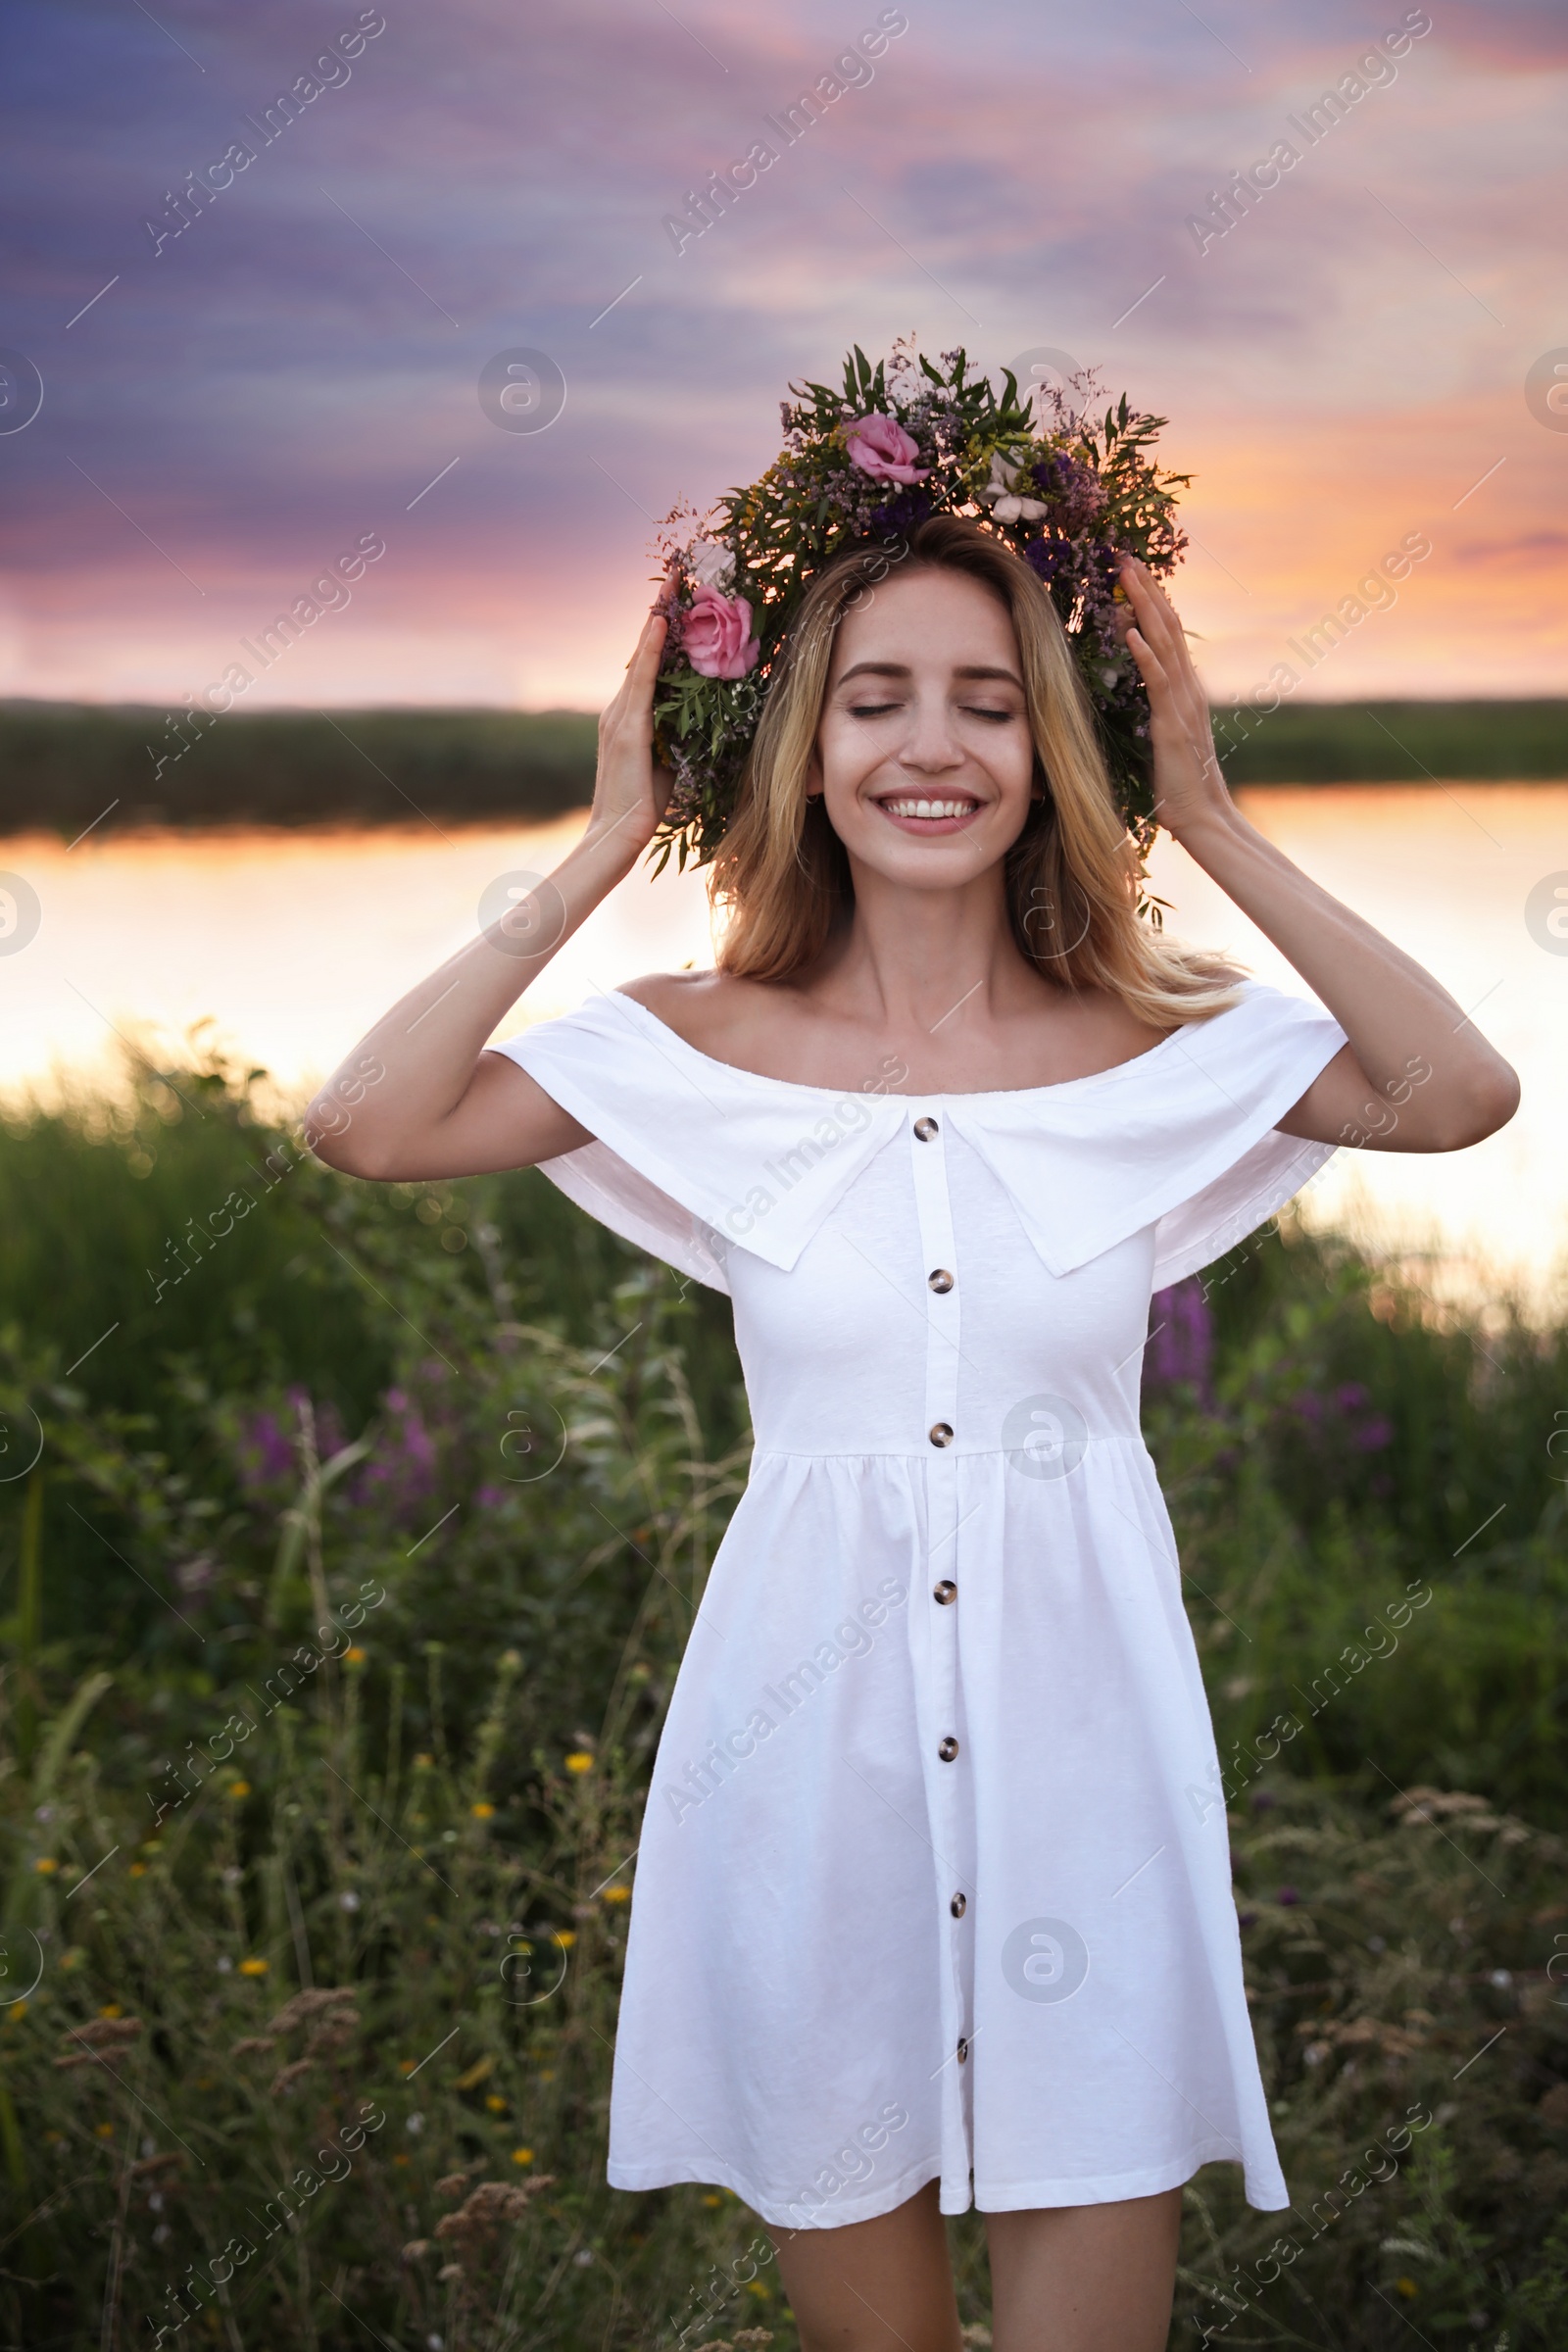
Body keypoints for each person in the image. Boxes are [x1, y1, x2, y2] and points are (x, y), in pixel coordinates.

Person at [308, 518, 1517, 2352]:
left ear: (1053, 753)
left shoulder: (1155, 1044)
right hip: (810, 1777)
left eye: (990, 702)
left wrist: (1201, 807)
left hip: (1088, 1777)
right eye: (874, 700)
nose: (931, 746)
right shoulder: (692, 1047)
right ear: (800, 747)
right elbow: (368, 1124)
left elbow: (1460, 1093)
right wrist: (605, 841)